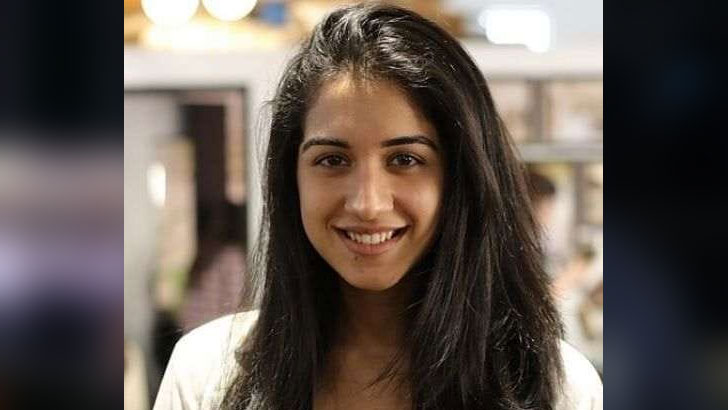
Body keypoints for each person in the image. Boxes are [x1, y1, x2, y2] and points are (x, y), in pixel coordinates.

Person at [153, 3, 602, 410]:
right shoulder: (205, 377)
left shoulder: (557, 388)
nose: (367, 203)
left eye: (405, 160)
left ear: (461, 177)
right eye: (332, 160)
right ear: (291, 179)